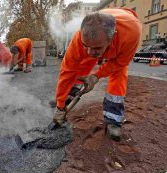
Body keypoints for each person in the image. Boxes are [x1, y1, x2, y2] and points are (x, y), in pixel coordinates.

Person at [52, 8, 142, 141]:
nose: (89, 52)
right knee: (82, 66)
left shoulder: (131, 33)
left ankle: (113, 119)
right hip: (100, 28)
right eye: (86, 45)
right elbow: (67, 71)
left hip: (123, 33)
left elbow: (120, 63)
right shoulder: (80, 39)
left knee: (118, 75)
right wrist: (60, 105)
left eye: (97, 48)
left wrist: (96, 76)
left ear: (112, 38)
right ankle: (69, 96)